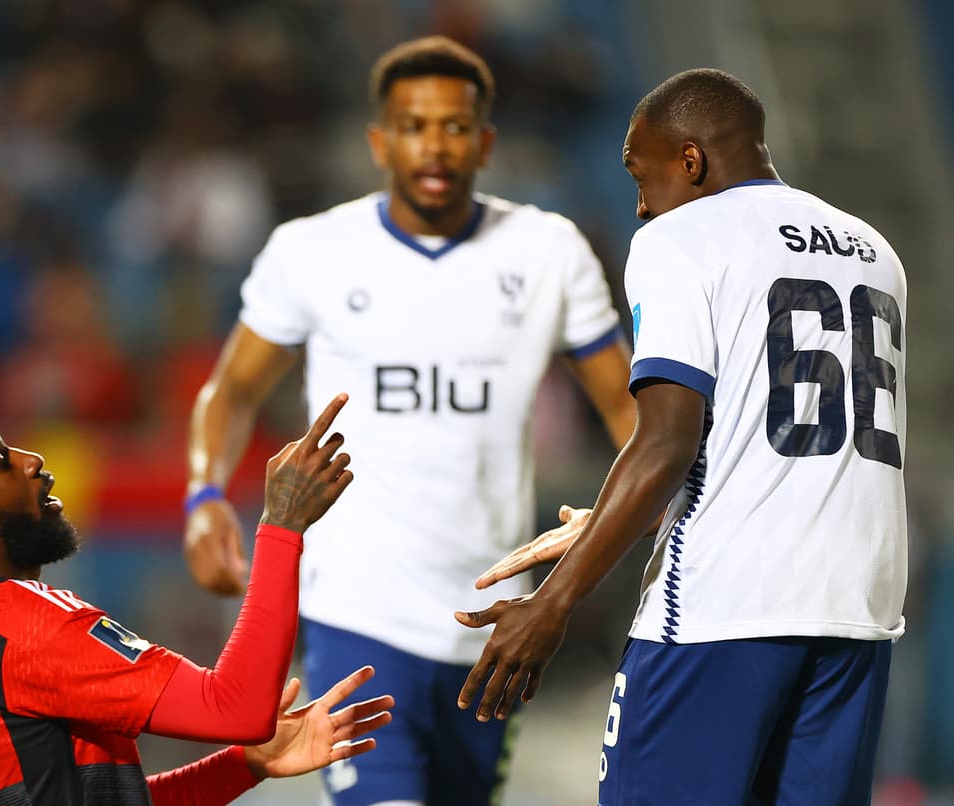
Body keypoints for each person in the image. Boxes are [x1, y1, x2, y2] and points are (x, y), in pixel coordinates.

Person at [183, 36, 637, 806]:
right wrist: (203, 498)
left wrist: (638, 509)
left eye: (455, 127)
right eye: (415, 125)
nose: (435, 144)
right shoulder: (312, 252)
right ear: (379, 140)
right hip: (355, 611)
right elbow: (228, 392)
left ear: (485, 141)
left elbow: (635, 414)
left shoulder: (548, 251)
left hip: (491, 624)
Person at [457, 68, 908, 805]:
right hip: (858, 606)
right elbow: (778, 449)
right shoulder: (873, 250)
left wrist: (555, 603)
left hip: (723, 607)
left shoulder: (683, 236)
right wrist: (613, 521)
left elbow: (666, 443)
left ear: (689, 161)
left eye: (642, 174)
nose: (640, 205)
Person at [0, 394, 396, 805]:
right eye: (1, 461)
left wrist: (244, 764)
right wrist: (282, 526)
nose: (33, 460)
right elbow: (235, 708)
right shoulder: (24, 625)